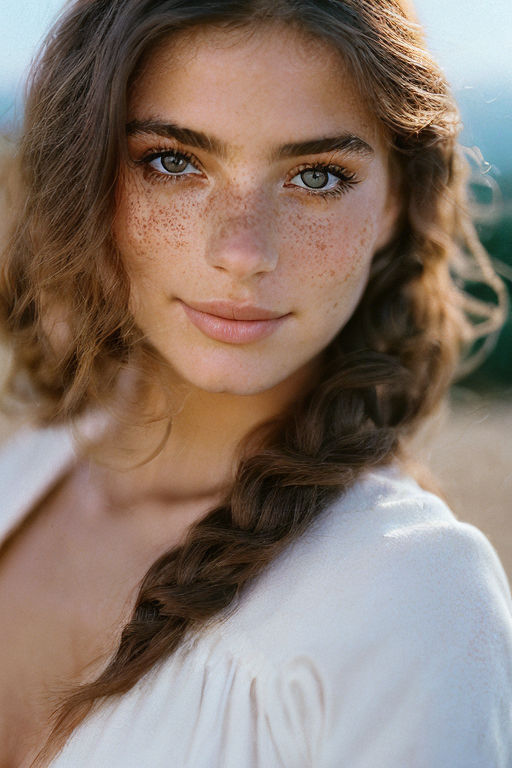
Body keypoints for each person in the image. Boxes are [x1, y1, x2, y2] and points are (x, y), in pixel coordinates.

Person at [0, 0, 511, 765]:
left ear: (394, 205)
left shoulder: (415, 596)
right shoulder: (26, 466)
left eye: (316, 176)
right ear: (87, 175)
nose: (242, 251)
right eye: (173, 161)